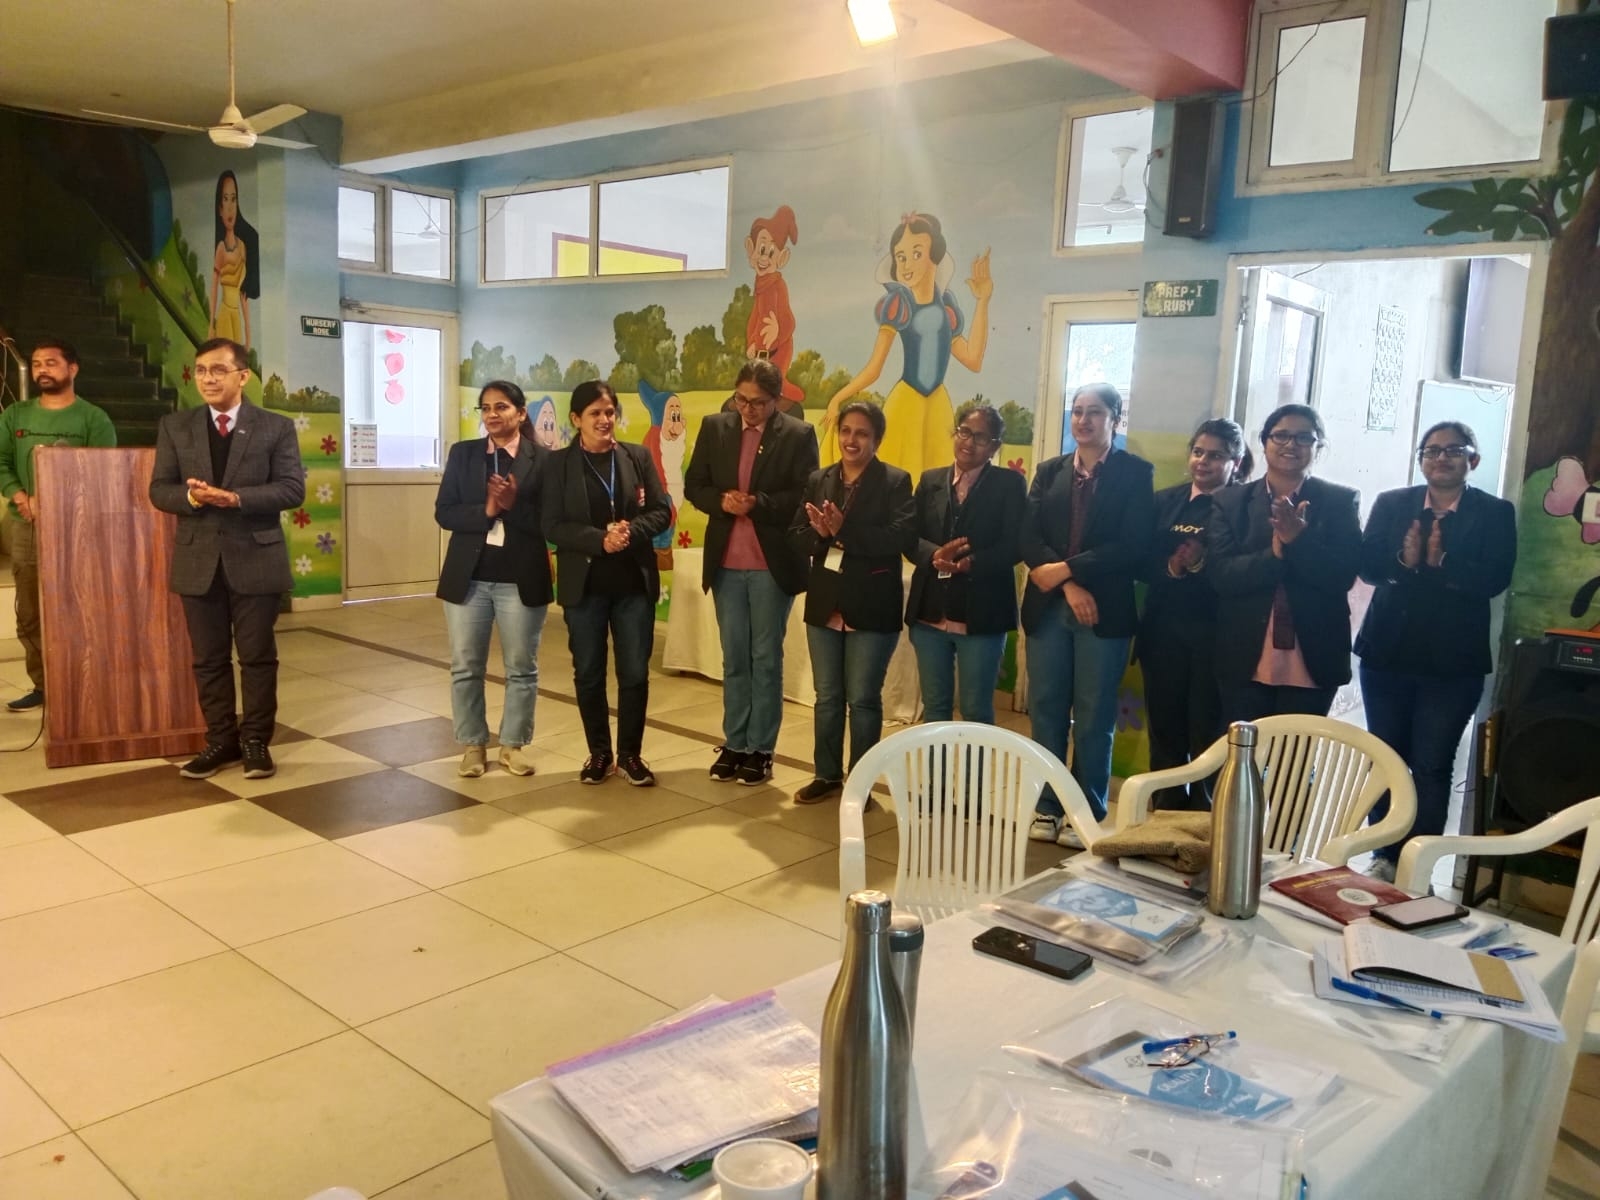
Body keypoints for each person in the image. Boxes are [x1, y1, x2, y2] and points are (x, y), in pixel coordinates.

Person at [1355, 421, 1517, 882]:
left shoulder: (1494, 512)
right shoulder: (1393, 504)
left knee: (1431, 763)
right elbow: (1368, 567)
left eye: (1453, 450)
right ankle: (1383, 855)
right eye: (1432, 450)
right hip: (1387, 654)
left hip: (1452, 664)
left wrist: (1442, 562)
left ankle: (1416, 863)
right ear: (1421, 459)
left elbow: (1495, 578)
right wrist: (1403, 562)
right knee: (1386, 758)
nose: (1441, 457)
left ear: (1473, 460)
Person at [148, 337, 304, 779]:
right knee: (208, 659)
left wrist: (235, 498)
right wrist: (192, 499)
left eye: (218, 370)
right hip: (198, 561)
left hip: (257, 558)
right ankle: (220, 740)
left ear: (243, 376)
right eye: (201, 370)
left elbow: (292, 489)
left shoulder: (275, 427)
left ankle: (255, 741)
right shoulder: (175, 426)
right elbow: (159, 490)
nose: (208, 379)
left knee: (256, 657)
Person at [1020, 383, 1154, 846]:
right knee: (1046, 711)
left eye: (1094, 412)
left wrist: (1068, 569)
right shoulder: (1050, 471)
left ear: (1115, 418)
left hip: (1104, 612)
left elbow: (1133, 545)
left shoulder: (1135, 473)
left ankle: (1087, 810)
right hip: (1049, 609)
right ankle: (1047, 806)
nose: (1083, 420)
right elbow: (1029, 537)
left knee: (1095, 715)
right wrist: (1068, 583)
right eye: (1077, 411)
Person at [684, 359, 818, 785]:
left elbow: (805, 494)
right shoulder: (715, 427)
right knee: (734, 657)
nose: (748, 409)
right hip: (726, 562)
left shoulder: (797, 434)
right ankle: (735, 742)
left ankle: (761, 748)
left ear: (777, 400)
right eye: (741, 400)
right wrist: (722, 502)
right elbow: (694, 485)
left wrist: (758, 503)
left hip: (770, 565)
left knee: (765, 658)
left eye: (758, 402)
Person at [542, 381, 670, 786]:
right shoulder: (558, 465)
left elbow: (661, 511)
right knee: (589, 672)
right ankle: (599, 753)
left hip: (633, 584)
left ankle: (630, 755)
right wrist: (599, 539)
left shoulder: (636, 457)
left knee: (634, 672)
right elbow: (552, 525)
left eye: (610, 411)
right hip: (585, 587)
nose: (604, 419)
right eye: (595, 413)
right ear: (576, 419)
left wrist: (629, 532)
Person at [789, 401, 914, 804]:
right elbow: (796, 535)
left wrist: (844, 531)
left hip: (871, 603)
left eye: (862, 433)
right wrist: (822, 534)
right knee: (827, 697)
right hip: (825, 601)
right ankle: (826, 775)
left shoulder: (894, 481)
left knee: (862, 699)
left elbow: (898, 538)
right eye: (845, 431)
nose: (851, 440)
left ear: (876, 439)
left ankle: (860, 785)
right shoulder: (819, 478)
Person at [1207, 404, 1361, 723]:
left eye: (1304, 437)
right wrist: (1275, 554)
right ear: (1264, 442)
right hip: (1245, 652)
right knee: (1244, 749)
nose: (1291, 444)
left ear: (1318, 446)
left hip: (1313, 653)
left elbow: (1342, 575)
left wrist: (1298, 542)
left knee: (1296, 751)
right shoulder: (1230, 501)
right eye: (1281, 436)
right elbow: (1222, 575)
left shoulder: (1340, 501)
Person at [435, 381, 554, 779]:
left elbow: (552, 522)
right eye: (485, 408)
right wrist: (487, 510)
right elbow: (444, 512)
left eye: (501, 407)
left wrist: (511, 506)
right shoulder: (464, 454)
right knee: (466, 665)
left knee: (521, 667)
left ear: (521, 412)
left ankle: (512, 745)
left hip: (521, 578)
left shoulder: (544, 460)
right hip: (468, 578)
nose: (491, 414)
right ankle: (473, 745)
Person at [821, 212, 993, 481]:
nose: (907, 263)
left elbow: (973, 359)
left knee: (938, 481)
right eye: (901, 257)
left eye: (916, 253)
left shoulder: (946, 306)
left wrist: (982, 301)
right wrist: (838, 398)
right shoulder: (898, 303)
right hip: (906, 403)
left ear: (934, 254)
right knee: (896, 480)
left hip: (938, 408)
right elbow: (875, 367)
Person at [1136, 419, 1254, 811]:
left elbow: (1243, 571)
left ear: (1236, 462)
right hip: (1163, 632)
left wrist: (1202, 564)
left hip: (1217, 637)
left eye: (1216, 455)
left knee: (1207, 731)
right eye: (1198, 452)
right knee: (1165, 729)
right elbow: (1140, 560)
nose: (1203, 461)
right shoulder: (1164, 501)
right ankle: (1165, 815)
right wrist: (1171, 568)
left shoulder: (1244, 506)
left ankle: (1206, 821)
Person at [0, 339, 117, 713]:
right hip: (27, 526)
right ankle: (42, 685)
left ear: (73, 368)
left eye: (51, 363)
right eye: (36, 364)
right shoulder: (15, 415)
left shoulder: (93, 419)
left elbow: (104, 473)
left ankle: (83, 684)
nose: (41, 370)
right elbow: (2, 464)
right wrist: (21, 497)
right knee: (29, 610)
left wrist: (64, 505)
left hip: (77, 529)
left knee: (78, 607)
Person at [904, 402, 1025, 724]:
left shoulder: (1008, 485)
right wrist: (934, 555)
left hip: (982, 613)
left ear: (995, 447)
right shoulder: (930, 480)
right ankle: (937, 762)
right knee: (935, 707)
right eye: (964, 432)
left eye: (981, 438)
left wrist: (975, 562)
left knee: (975, 710)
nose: (969, 442)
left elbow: (1016, 545)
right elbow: (909, 537)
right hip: (930, 612)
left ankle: (974, 763)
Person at [208, 170, 259, 351]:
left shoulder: (243, 247)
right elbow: (214, 289)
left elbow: (243, 296)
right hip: (224, 313)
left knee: (238, 362)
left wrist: (248, 335)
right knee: (227, 357)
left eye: (233, 199)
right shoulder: (221, 249)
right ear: (220, 209)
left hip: (236, 316)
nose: (230, 208)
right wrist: (211, 325)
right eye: (225, 200)